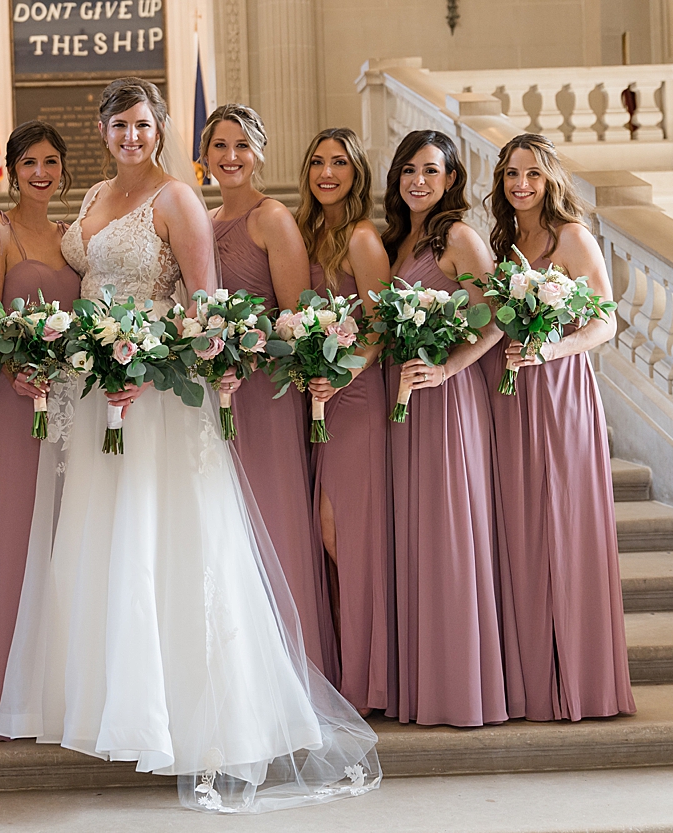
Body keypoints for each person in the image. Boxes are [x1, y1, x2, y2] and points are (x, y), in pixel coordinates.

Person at [0, 78, 379, 814]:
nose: (130, 136)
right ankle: (120, 711)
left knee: (170, 542)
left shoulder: (177, 201)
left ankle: (206, 729)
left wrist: (143, 363)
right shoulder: (90, 200)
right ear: (102, 131)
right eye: (118, 125)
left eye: (142, 124)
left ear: (161, 127)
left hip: (159, 396)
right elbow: (89, 289)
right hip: (98, 388)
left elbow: (205, 310)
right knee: (110, 543)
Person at [480, 133, 636, 722]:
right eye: (512, 174)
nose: (521, 184)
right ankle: (535, 683)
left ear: (550, 182)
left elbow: (606, 322)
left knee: (566, 525)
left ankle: (583, 681)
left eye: (533, 175)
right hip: (510, 395)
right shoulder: (505, 242)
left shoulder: (572, 237)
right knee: (522, 529)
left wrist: (550, 350)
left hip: (560, 390)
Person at [205, 104, 336, 684]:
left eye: (241, 145)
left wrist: (246, 356)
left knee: (274, 521)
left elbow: (295, 318)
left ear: (259, 154)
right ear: (203, 156)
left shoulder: (272, 217)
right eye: (219, 146)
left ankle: (294, 672)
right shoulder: (202, 221)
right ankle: (241, 674)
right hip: (215, 394)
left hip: (266, 394)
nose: (230, 157)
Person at [379, 129, 506, 727]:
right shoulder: (399, 241)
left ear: (451, 179)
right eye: (408, 170)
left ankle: (459, 687)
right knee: (418, 534)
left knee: (449, 532)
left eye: (430, 170)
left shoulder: (458, 236)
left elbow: (497, 318)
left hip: (447, 402)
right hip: (403, 403)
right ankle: (422, 683)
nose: (417, 181)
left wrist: (446, 367)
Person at [0, 120, 81, 737]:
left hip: (75, 405)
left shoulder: (71, 238)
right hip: (17, 404)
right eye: (29, 162)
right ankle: (18, 697)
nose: (41, 173)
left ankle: (67, 687)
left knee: (69, 539)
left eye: (51, 162)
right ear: (11, 169)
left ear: (63, 170)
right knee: (21, 538)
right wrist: (16, 368)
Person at [294, 128, 394, 714]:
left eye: (338, 163)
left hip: (353, 400)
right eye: (316, 162)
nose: (326, 172)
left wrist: (344, 376)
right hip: (315, 397)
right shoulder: (308, 234)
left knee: (344, 535)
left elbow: (380, 326)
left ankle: (367, 679)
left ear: (356, 173)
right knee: (323, 532)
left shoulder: (360, 238)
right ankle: (341, 671)